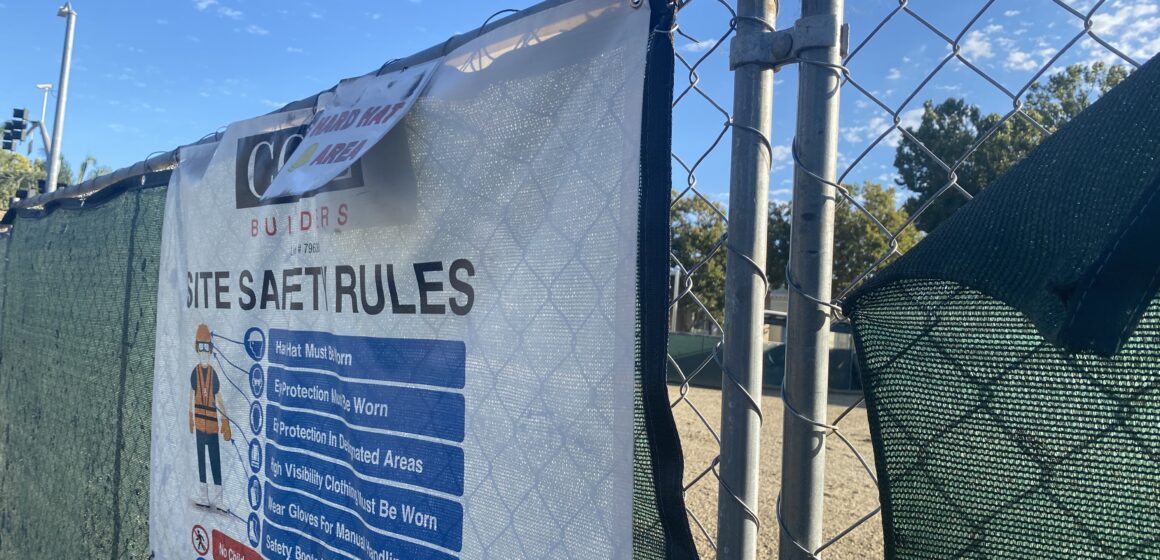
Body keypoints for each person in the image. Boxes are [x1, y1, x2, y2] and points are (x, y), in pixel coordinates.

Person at [189, 324, 231, 511]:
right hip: (199, 424)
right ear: (197, 348)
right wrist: (190, 415)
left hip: (213, 426)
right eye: (201, 347)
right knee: (200, 460)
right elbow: (191, 395)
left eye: (207, 347)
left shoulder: (213, 374)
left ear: (211, 349)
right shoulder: (194, 373)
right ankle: (203, 495)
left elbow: (219, 396)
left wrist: (226, 420)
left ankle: (219, 498)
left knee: (214, 461)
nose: (204, 352)